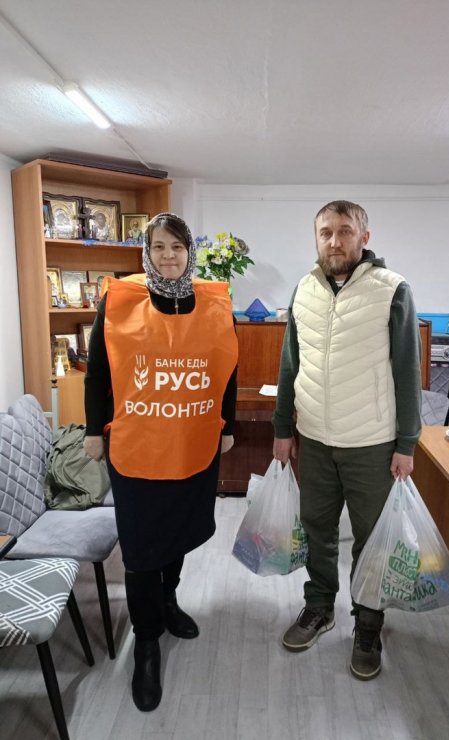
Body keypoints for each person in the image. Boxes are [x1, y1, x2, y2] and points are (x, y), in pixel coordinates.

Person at [83, 212, 238, 712]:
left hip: (192, 443)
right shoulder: (119, 302)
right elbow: (97, 372)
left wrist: (228, 426)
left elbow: (226, 370)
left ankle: (168, 600)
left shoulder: (214, 303)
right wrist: (92, 429)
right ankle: (146, 641)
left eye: (177, 246)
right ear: (145, 253)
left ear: (190, 252)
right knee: (141, 545)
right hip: (137, 449)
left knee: (178, 531)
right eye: (158, 247)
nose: (168, 255)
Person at [272, 200, 421, 681]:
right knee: (317, 529)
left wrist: (407, 442)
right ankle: (319, 607)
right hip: (314, 438)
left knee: (371, 539)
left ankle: (368, 623)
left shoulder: (392, 289)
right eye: (325, 232)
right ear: (316, 237)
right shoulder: (304, 289)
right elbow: (290, 365)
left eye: (344, 231)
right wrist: (282, 429)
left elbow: (408, 371)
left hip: (371, 443)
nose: (334, 241)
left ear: (364, 237)